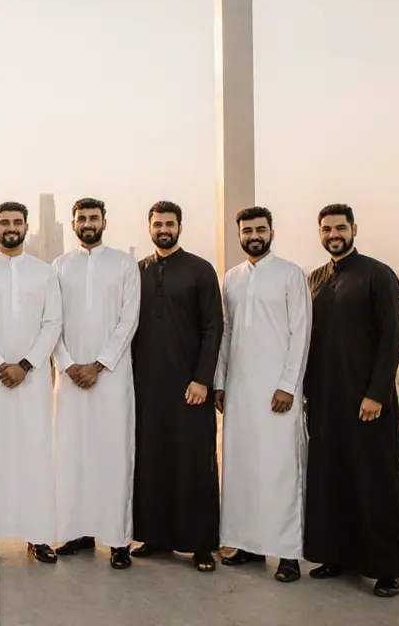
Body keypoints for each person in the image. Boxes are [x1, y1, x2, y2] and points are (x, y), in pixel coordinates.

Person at [303, 203, 399, 598]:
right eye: (327, 229)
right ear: (319, 234)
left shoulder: (378, 275)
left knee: (376, 482)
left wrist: (376, 393)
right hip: (326, 401)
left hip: (368, 403)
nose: (334, 235)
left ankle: (387, 568)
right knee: (332, 479)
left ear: (354, 229)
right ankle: (335, 556)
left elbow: (392, 337)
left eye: (340, 228)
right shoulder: (314, 279)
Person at [213, 206, 311, 583]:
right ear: (239, 235)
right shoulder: (232, 279)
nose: (253, 235)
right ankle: (248, 546)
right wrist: (221, 381)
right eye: (247, 230)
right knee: (243, 469)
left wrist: (289, 385)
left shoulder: (290, 274)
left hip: (277, 393)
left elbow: (300, 333)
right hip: (239, 390)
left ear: (272, 231)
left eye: (260, 229)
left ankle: (287, 553)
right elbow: (227, 334)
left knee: (279, 470)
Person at [0, 201, 63, 564]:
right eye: (4, 222)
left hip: (31, 381)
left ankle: (39, 537)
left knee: (35, 454)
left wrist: (25, 365)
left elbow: (52, 322)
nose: (11, 228)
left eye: (17, 222)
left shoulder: (44, 272)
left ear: (26, 227)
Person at [130, 201, 223, 572]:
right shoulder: (137, 272)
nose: (163, 229)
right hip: (146, 386)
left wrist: (202, 378)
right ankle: (154, 536)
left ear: (180, 227)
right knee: (151, 460)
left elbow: (213, 327)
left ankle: (199, 545)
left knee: (193, 462)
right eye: (158, 224)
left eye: (170, 223)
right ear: (149, 227)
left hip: (190, 388)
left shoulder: (200, 270)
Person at [52, 198, 141, 570]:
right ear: (72, 223)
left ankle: (118, 540)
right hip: (69, 377)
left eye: (93, 218)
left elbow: (128, 320)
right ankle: (78, 532)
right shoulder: (59, 266)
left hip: (112, 376)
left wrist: (99, 364)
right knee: (72, 455)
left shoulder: (123, 264)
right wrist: (69, 364)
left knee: (113, 455)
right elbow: (51, 321)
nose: (88, 224)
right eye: (81, 219)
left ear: (105, 220)